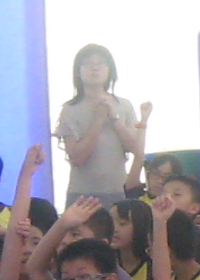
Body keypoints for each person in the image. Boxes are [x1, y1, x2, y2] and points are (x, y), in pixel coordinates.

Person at [56, 43, 143, 201]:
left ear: (110, 70)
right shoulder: (70, 109)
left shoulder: (124, 105)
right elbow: (77, 158)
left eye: (101, 63)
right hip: (81, 194)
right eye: (88, 63)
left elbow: (136, 148)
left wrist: (115, 119)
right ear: (78, 71)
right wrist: (98, 120)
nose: (94, 68)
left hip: (119, 192)